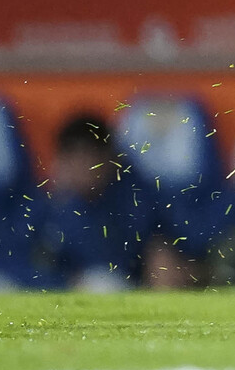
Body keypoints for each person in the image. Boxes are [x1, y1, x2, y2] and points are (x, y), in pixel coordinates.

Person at [38, 114, 154, 290]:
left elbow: (125, 262)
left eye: (90, 155)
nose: (83, 166)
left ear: (109, 158)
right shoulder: (45, 205)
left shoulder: (134, 201)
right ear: (62, 161)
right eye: (75, 156)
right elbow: (23, 264)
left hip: (125, 290)